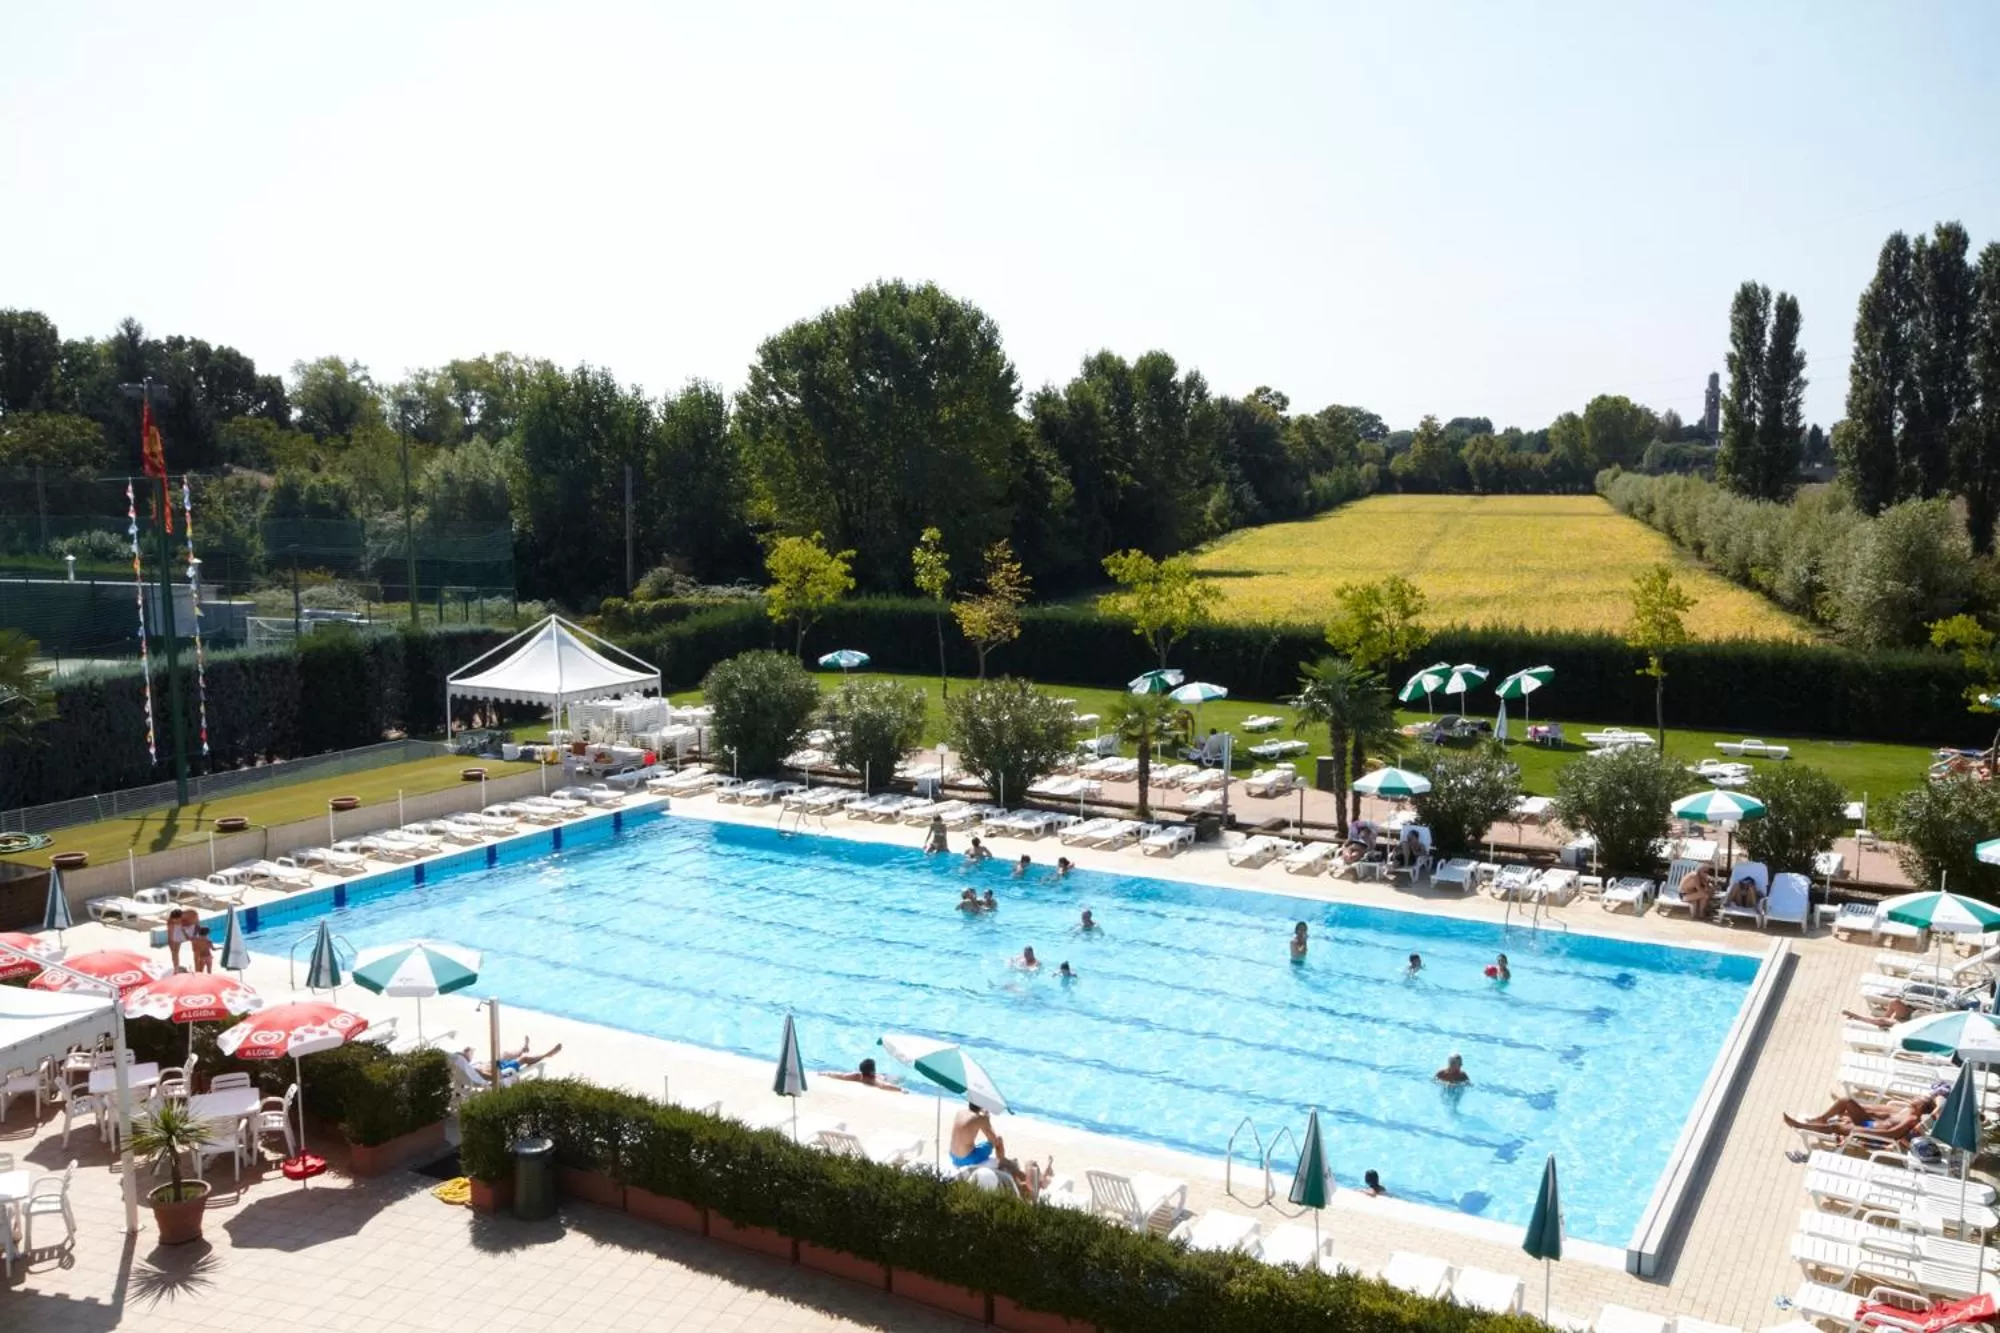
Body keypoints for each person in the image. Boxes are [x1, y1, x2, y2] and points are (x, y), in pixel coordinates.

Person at [1784, 1093, 1936, 1145]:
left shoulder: (1911, 1119)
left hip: (1872, 1130)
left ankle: (1802, 1127)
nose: (1915, 1097)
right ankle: (1820, 1119)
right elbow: (1879, 1110)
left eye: (1919, 1099)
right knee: (1846, 1100)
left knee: (1837, 1126)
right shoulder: (1906, 1109)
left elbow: (1891, 1134)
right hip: (1869, 1121)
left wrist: (1862, 1131)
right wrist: (1859, 1109)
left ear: (1922, 1106)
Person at [950, 1100, 1033, 1193]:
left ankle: (1004, 1163)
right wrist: (987, 1120)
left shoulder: (960, 1112)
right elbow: (994, 1139)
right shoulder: (980, 1118)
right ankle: (1001, 1162)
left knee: (979, 1144)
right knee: (999, 1140)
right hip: (968, 1158)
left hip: (953, 1155)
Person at [463, 1039, 564, 1083]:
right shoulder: (477, 1072)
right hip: (503, 1070)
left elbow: (464, 1058)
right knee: (524, 1058)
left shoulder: (466, 1067)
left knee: (504, 1054)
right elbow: (493, 1078)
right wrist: (483, 1070)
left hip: (492, 1064)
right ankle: (547, 1054)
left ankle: (523, 1049)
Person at [828, 1057, 905, 1092]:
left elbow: (841, 1075)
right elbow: (884, 1086)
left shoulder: (857, 1075)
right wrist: (900, 1089)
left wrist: (825, 1073)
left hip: (875, 1075)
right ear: (873, 1071)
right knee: (901, 1078)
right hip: (885, 1078)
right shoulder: (874, 1080)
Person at [1844, 999, 1914, 1029]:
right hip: (1911, 1015)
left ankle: (1857, 1017)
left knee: (1882, 1021)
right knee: (1894, 1002)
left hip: (1909, 1025)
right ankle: (1886, 1018)